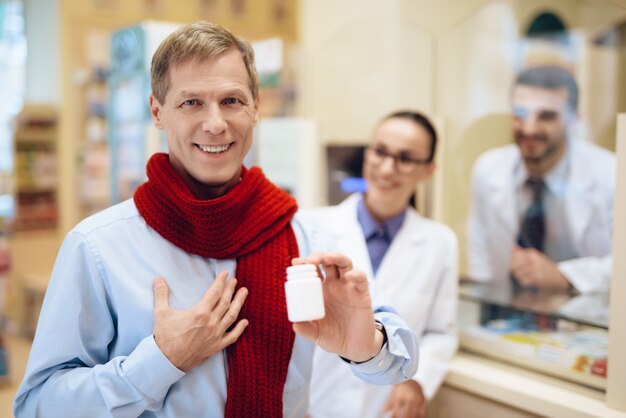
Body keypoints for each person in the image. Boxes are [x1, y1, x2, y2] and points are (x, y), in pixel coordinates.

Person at [14, 22, 418, 418]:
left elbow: (401, 362)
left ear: (256, 107)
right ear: (157, 111)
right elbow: (36, 406)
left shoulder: (308, 236)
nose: (215, 123)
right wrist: (159, 361)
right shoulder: (98, 246)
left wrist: (367, 344)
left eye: (232, 101)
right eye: (191, 102)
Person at [306, 111, 458, 418]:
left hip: (384, 407)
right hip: (313, 404)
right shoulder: (311, 227)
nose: (387, 168)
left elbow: (441, 332)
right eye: (380, 151)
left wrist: (417, 380)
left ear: (428, 170)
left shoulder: (440, 243)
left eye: (405, 158)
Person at [468, 65, 615, 293]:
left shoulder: (611, 173)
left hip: (589, 314)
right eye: (520, 114)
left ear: (573, 120)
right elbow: (481, 254)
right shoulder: (489, 169)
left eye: (546, 116)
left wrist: (566, 277)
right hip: (510, 313)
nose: (529, 128)